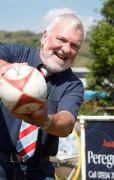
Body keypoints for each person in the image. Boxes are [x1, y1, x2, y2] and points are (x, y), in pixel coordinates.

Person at [0, 13, 85, 179]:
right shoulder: (14, 54)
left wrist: (45, 120)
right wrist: (5, 69)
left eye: (74, 45)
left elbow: (67, 123)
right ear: (44, 36)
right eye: (61, 39)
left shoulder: (73, 84)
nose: (66, 49)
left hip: (39, 171)